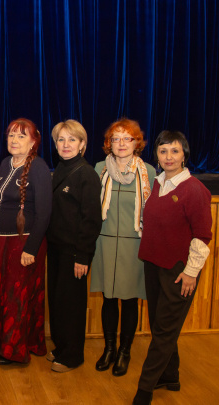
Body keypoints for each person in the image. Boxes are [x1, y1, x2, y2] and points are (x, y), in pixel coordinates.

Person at [132, 131, 212, 405]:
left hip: (179, 271)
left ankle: (144, 390)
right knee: (161, 326)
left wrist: (191, 272)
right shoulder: (158, 183)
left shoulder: (195, 190)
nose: (168, 157)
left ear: (184, 155)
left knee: (164, 331)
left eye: (175, 151)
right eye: (163, 151)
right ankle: (170, 375)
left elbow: (202, 236)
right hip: (154, 266)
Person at [0, 118, 52, 363]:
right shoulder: (6, 163)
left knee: (16, 297)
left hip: (22, 243)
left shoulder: (38, 167)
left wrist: (31, 249)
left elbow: (44, 213)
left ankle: (11, 349)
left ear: (33, 142)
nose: (14, 140)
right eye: (11, 135)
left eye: (21, 136)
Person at [92, 119, 155, 376]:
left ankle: (124, 352)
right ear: (109, 143)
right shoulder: (100, 169)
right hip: (104, 242)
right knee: (108, 298)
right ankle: (109, 349)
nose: (121, 143)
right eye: (115, 138)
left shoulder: (148, 172)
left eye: (127, 138)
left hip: (134, 244)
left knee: (129, 300)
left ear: (136, 143)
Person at [45, 120, 102, 373]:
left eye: (72, 139)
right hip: (56, 248)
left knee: (72, 305)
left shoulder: (86, 174)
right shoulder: (61, 167)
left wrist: (83, 256)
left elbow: (91, 219)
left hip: (74, 252)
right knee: (58, 302)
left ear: (82, 145)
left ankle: (73, 355)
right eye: (61, 139)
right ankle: (61, 347)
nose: (66, 144)